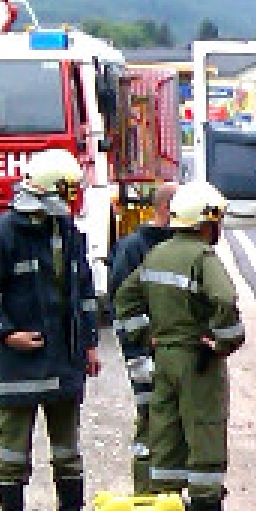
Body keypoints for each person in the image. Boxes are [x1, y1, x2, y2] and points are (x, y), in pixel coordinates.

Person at [0, 148, 102, 511]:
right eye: (69, 189)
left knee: (67, 446)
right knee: (13, 447)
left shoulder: (66, 231)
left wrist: (90, 344)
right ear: (50, 189)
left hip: (63, 359)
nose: (74, 197)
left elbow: (83, 294)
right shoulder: (4, 232)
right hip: (20, 362)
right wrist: (7, 334)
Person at [113, 181, 248, 511]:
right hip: (196, 361)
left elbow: (125, 298)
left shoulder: (156, 255)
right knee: (204, 436)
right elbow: (223, 298)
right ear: (207, 222)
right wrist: (224, 341)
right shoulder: (201, 257)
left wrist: (145, 335)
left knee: (166, 440)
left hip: (164, 361)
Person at [109, 182, 180, 494]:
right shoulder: (132, 248)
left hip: (173, 350)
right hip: (143, 353)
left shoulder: (178, 244)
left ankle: (168, 494)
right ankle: (147, 492)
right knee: (152, 421)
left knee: (174, 423)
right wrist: (147, 337)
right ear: (165, 208)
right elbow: (122, 302)